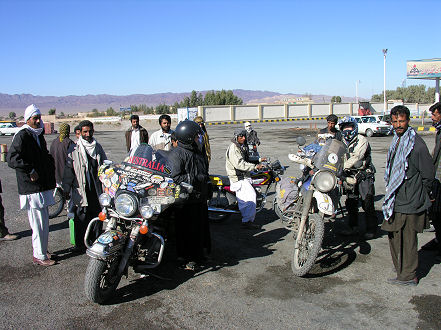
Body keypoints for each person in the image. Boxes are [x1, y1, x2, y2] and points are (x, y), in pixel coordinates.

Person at [381, 105, 434, 286]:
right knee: (394, 236)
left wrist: (418, 195)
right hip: (397, 199)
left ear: (408, 120)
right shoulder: (398, 140)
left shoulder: (416, 145)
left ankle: (409, 275)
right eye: (395, 121)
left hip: (410, 201)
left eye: (401, 121)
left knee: (408, 239)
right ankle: (402, 269)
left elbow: (428, 175)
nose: (398, 125)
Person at [7, 104, 56, 266]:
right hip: (31, 187)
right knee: (38, 222)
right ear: (27, 119)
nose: (38, 120)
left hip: (41, 185)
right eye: (35, 118)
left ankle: (41, 250)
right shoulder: (22, 135)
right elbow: (12, 158)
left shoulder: (37, 134)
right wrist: (30, 170)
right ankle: (40, 255)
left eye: (39, 117)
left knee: (43, 221)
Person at [168, 120, 210, 270]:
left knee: (199, 229)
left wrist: (206, 184)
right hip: (185, 201)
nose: (199, 139)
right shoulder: (177, 154)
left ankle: (199, 254)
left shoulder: (197, 151)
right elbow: (174, 176)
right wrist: (194, 179)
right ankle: (186, 258)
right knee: (186, 231)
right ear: (188, 137)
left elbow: (204, 169)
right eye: (196, 136)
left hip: (199, 198)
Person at [62, 120, 107, 252]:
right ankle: (80, 245)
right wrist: (66, 188)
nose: (88, 134)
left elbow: (105, 165)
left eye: (90, 131)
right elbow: (68, 171)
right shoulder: (74, 149)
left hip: (96, 189)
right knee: (81, 217)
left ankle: (96, 241)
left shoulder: (97, 147)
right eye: (85, 132)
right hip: (81, 189)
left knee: (97, 216)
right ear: (80, 133)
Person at [338, 116, 378, 239]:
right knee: (351, 202)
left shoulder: (362, 140)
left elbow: (357, 156)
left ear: (354, 127)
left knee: (367, 202)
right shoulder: (341, 141)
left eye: (349, 127)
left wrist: (341, 167)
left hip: (363, 174)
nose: (347, 130)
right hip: (349, 175)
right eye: (344, 128)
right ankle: (353, 227)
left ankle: (372, 229)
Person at [226, 128, 265, 229]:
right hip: (238, 177)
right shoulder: (233, 148)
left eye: (244, 136)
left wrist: (259, 160)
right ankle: (246, 221)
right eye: (241, 136)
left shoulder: (241, 146)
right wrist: (255, 167)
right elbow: (239, 164)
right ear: (236, 137)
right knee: (250, 197)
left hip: (244, 175)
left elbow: (246, 158)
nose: (243, 138)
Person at [421, 101, 441, 260]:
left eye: (434, 115)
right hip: (436, 177)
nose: (432, 118)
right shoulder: (439, 131)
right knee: (436, 212)